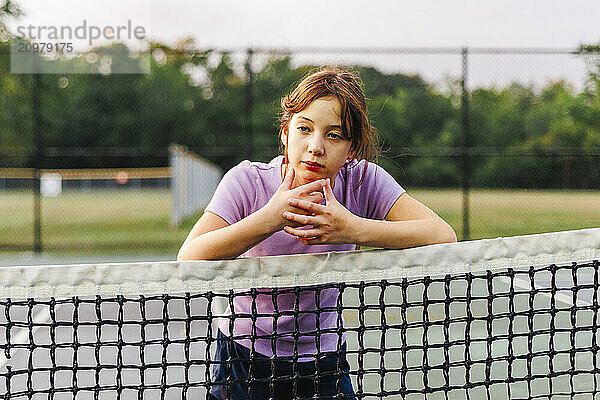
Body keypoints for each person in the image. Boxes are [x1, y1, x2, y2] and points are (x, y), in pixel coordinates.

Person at [177, 66, 456, 400]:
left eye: (334, 135)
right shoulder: (246, 181)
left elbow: (442, 235)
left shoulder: (364, 181)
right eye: (304, 129)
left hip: (322, 363)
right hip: (243, 358)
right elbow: (189, 256)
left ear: (351, 149)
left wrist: (352, 227)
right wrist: (269, 218)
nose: (315, 146)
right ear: (285, 132)